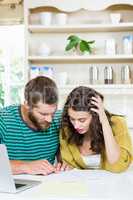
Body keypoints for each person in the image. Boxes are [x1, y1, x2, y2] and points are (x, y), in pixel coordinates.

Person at [60, 86, 133, 172]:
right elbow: (69, 164)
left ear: (95, 116)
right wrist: (67, 167)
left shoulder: (118, 123)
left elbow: (116, 164)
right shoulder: (67, 128)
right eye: (72, 119)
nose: (76, 126)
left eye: (82, 120)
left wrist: (104, 122)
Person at [0, 76, 62, 175]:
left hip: (47, 185)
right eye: (43, 114)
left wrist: (64, 163)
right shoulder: (3, 120)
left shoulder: (59, 119)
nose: (50, 120)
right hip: (13, 187)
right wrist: (26, 166)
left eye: (53, 112)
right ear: (27, 105)